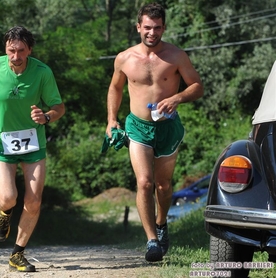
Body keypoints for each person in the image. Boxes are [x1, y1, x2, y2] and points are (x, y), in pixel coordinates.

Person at [105, 3, 203, 262]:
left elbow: (197, 86)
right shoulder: (124, 58)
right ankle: (151, 241)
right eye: (147, 27)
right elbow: (115, 88)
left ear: (164, 28)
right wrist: (111, 120)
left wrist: (178, 97)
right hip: (137, 127)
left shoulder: (176, 56)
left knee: (164, 186)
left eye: (157, 28)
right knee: (144, 182)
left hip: (168, 128)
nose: (152, 32)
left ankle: (161, 224)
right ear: (138, 27)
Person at [0, 26, 65, 272]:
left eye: (21, 51)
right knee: (9, 197)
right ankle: (4, 210)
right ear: (5, 49)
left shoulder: (42, 72)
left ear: (30, 50)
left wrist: (47, 116)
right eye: (11, 50)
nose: (16, 57)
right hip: (0, 142)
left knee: (33, 201)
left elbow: (58, 107)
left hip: (33, 144)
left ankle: (17, 254)